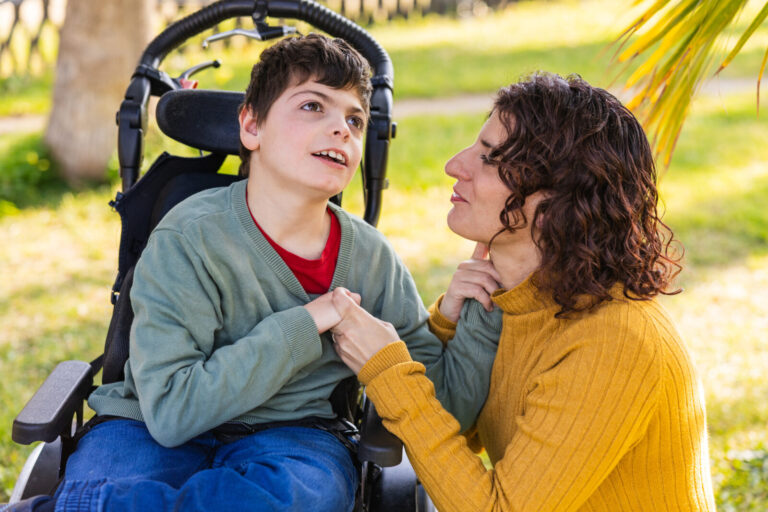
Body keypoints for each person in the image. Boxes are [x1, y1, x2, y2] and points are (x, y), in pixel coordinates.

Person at [8, 34, 500, 512]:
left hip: (295, 433)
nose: (341, 130)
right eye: (313, 106)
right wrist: (307, 323)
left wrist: (469, 317)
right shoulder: (188, 237)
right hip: (147, 427)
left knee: (305, 496)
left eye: (354, 120)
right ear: (251, 127)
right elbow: (172, 414)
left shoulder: (370, 258)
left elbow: (443, 411)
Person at [329, 72, 717, 511]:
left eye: (490, 158)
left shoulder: (613, 342)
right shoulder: (515, 305)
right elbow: (453, 433)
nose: (454, 165)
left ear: (561, 200)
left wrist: (387, 370)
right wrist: (446, 330)